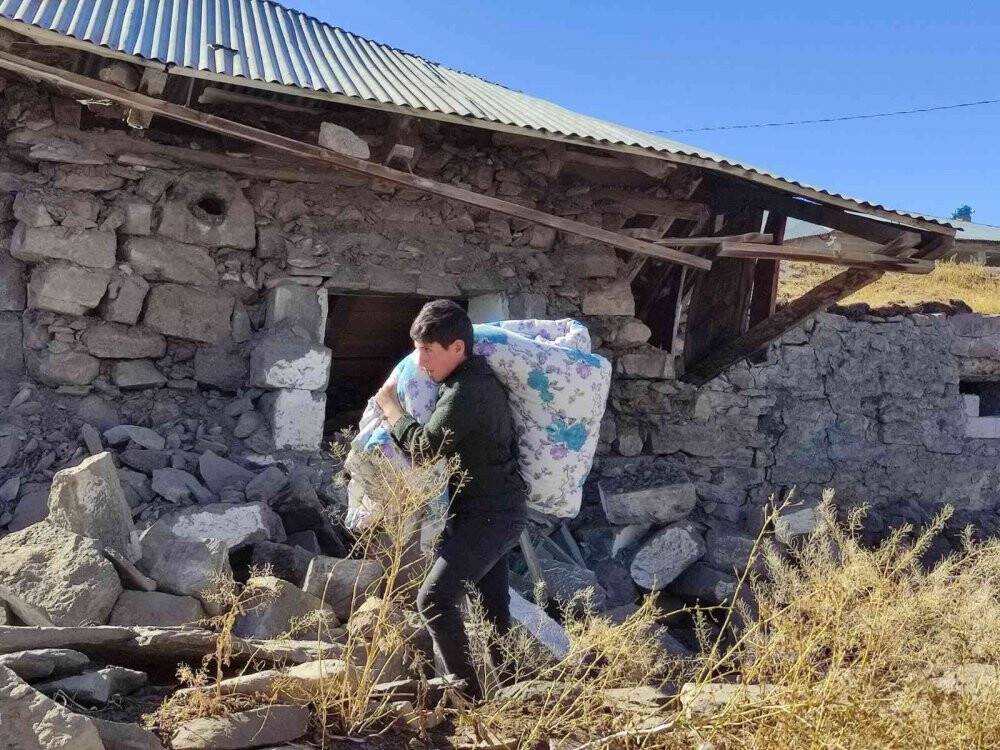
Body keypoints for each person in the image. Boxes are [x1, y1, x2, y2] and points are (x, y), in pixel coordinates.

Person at [374, 299, 527, 701]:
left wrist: (390, 408)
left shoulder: (468, 391)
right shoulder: (463, 384)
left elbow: (424, 449)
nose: (421, 360)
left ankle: (469, 700)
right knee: (492, 607)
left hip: (491, 516)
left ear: (457, 348)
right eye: (418, 349)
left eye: (428, 350)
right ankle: (517, 697)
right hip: (489, 513)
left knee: (435, 598)